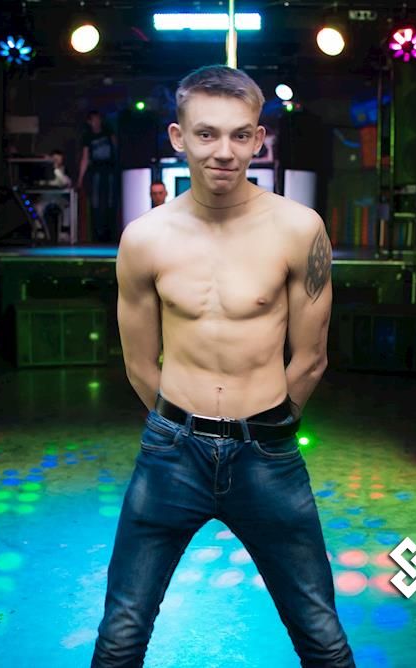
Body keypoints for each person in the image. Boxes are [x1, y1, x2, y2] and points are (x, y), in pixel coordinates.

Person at [92, 65, 353, 667]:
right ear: (178, 137)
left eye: (239, 135)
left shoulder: (299, 229)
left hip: (268, 453)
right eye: (206, 134)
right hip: (171, 452)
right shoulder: (145, 238)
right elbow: (138, 362)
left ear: (259, 139)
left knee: (320, 632)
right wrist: (179, 424)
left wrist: (268, 425)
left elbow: (311, 357)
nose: (224, 152)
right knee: (121, 633)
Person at [78, 111, 118, 243]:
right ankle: (96, 234)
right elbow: (85, 158)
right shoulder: (88, 137)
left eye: (98, 119)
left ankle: (110, 233)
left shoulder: (107, 132)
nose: (96, 122)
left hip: (109, 170)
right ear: (89, 122)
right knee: (95, 202)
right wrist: (80, 179)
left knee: (110, 201)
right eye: (94, 120)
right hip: (95, 171)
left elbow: (116, 147)